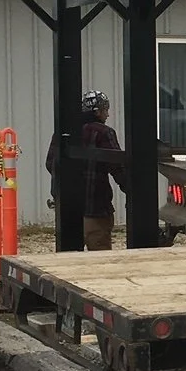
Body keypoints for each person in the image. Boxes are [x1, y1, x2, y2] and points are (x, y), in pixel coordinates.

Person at [45, 90, 131, 251]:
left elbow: (50, 163)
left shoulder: (62, 132)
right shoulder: (104, 133)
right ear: (97, 112)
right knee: (99, 260)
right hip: (95, 209)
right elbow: (118, 168)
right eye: (106, 110)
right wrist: (132, 191)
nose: (108, 115)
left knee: (69, 259)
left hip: (66, 210)